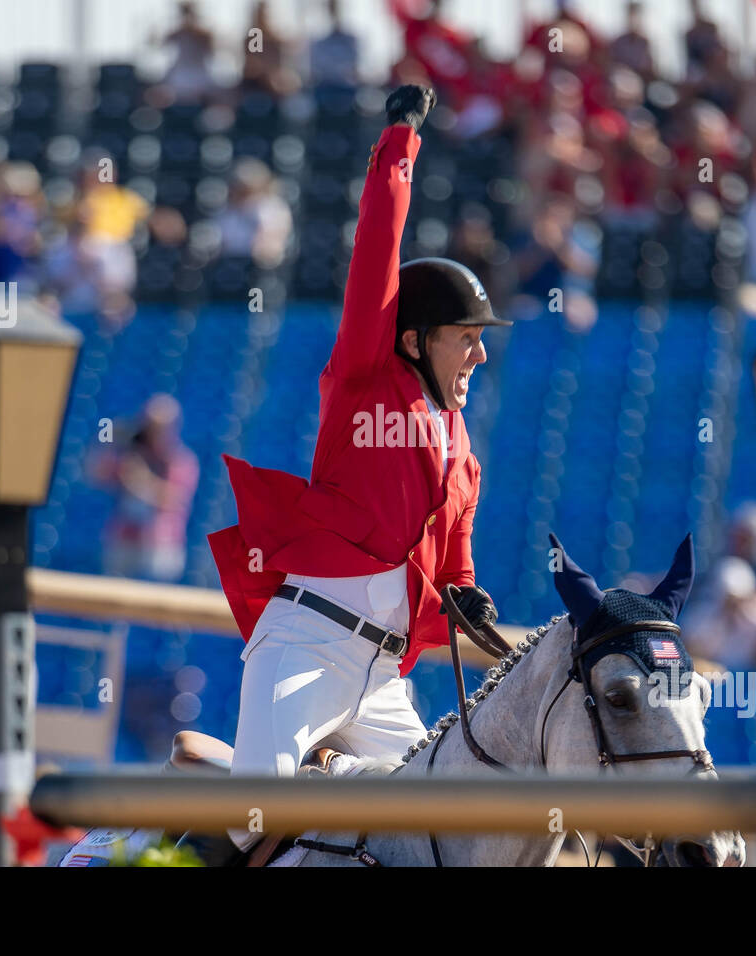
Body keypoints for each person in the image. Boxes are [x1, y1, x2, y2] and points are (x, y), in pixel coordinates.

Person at [208, 87, 509, 844]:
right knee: (251, 826)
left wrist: (469, 597)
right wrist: (400, 141)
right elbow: (377, 246)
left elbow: (458, 556)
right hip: (308, 645)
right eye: (463, 336)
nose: (480, 352)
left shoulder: (461, 449)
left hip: (383, 678)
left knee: (433, 835)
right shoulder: (364, 380)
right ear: (411, 340)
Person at [91, 395, 198, 583]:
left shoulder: (181, 461)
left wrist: (140, 479)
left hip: (160, 546)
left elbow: (174, 499)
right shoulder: (130, 456)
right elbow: (97, 475)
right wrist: (108, 441)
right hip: (123, 540)